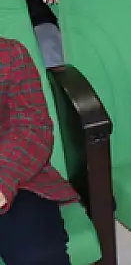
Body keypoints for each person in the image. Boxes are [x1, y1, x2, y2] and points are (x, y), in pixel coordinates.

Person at [0, 33, 82, 264]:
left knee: (37, 254)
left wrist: (3, 179)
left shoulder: (10, 54)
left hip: (16, 173)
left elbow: (32, 127)